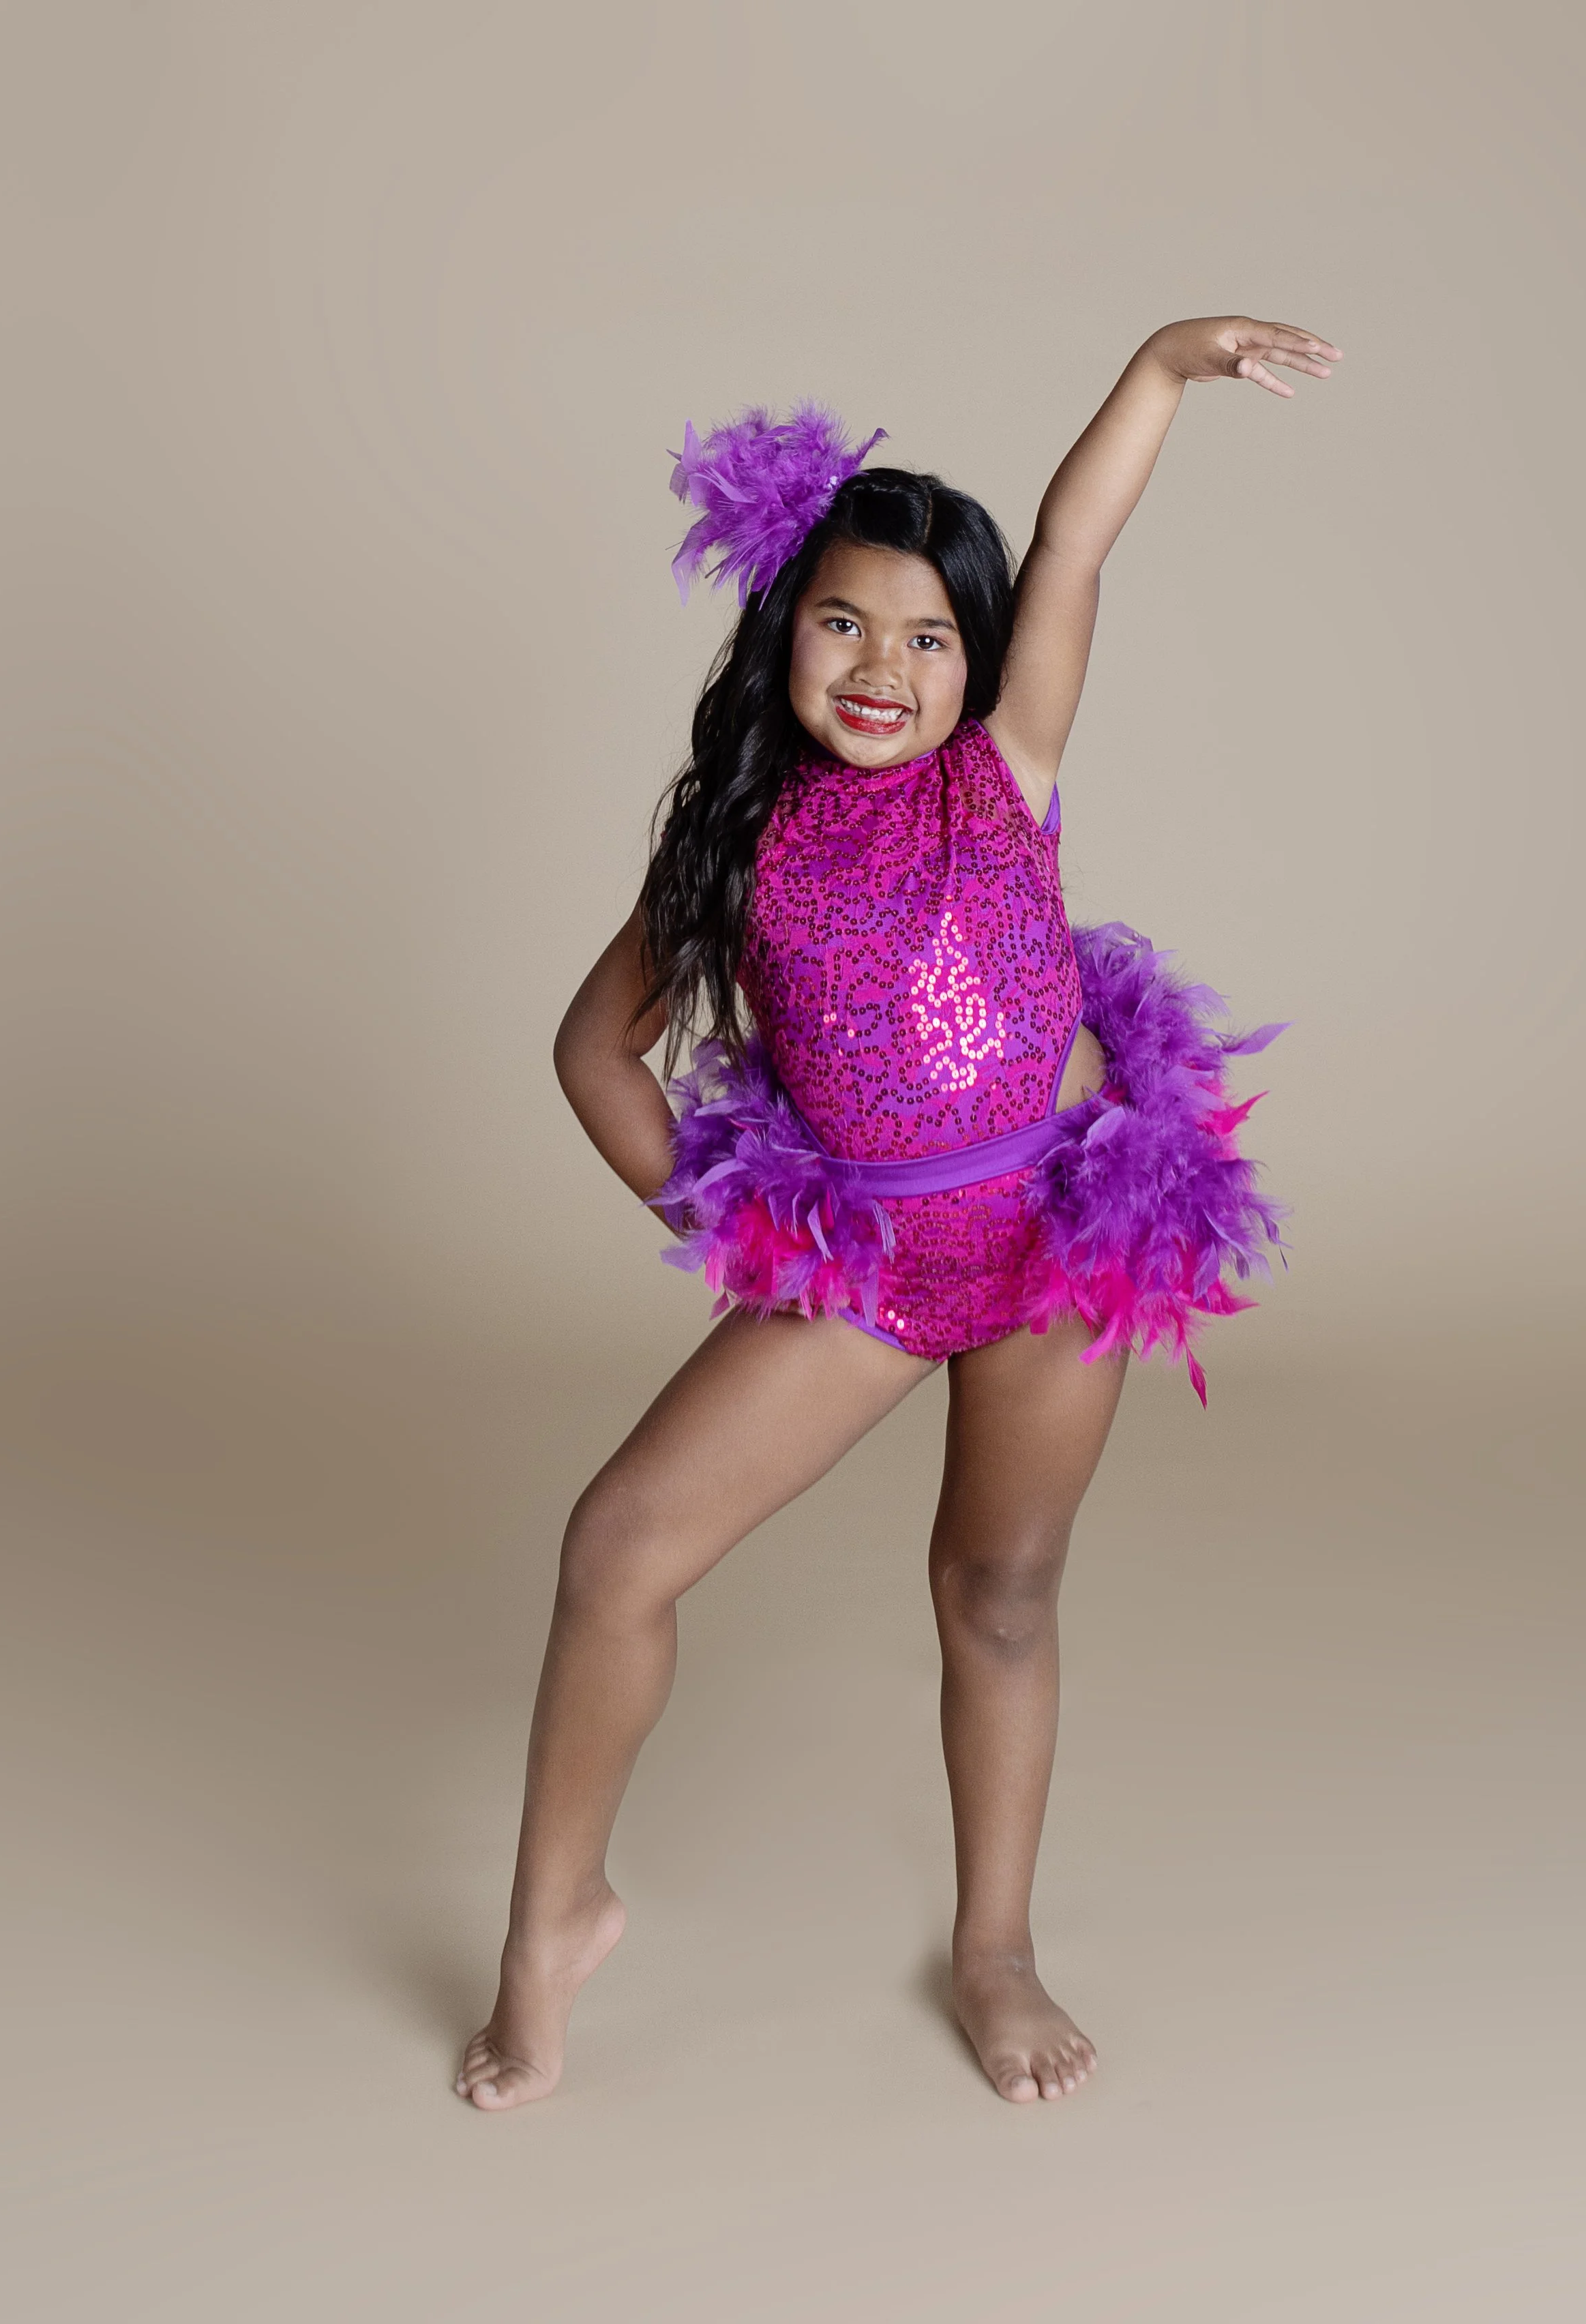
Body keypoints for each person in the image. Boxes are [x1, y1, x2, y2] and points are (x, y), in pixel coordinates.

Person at [456, 316, 1338, 2111]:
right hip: (866, 1275)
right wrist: (751, 1237)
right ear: (783, 628)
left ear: (977, 667)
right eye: (843, 621)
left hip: (1057, 1241)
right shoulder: (731, 847)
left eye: (929, 636)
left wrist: (1156, 374)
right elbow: (591, 1053)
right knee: (616, 1550)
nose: (881, 665)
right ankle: (551, 1923)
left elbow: (1075, 536)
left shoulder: (997, 778)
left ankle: (994, 1946)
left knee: (998, 1591)